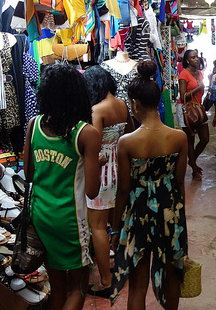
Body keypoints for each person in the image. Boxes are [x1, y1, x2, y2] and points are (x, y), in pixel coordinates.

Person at [23, 63, 102, 310]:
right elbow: (91, 191)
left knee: (57, 288)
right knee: (78, 286)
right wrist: (96, 162)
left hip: (41, 216)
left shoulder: (33, 125)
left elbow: (28, 174)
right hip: (69, 221)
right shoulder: (86, 133)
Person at [110, 60, 189, 309]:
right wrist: (179, 214)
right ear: (158, 102)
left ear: (134, 104)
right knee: (171, 273)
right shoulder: (179, 137)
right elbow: (179, 182)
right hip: (169, 209)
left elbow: (123, 189)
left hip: (138, 211)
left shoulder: (126, 142)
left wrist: (115, 226)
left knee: (138, 283)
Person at [83, 66, 134, 298]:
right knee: (116, 221)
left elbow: (93, 142)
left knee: (98, 227)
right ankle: (121, 267)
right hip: (119, 166)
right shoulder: (122, 104)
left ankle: (105, 280)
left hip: (102, 168)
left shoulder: (97, 109)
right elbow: (131, 131)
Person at [177, 49, 209, 181]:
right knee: (190, 140)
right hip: (186, 109)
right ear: (187, 60)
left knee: (205, 139)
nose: (196, 59)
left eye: (196, 57)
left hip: (198, 108)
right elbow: (183, 96)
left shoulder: (200, 73)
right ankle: (194, 169)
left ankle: (192, 160)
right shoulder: (183, 75)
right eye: (193, 57)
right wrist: (198, 88)